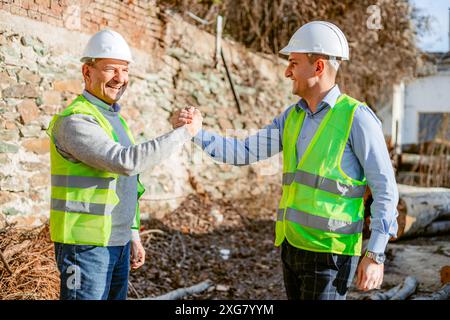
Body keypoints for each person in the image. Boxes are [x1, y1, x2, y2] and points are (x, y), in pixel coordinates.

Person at [172, 21, 398, 300]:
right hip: (291, 248)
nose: (286, 71)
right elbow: (243, 152)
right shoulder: (291, 117)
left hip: (331, 255)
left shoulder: (357, 118)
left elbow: (385, 189)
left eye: (293, 62)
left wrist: (375, 254)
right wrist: (197, 134)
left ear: (318, 67)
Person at [47, 29, 202, 300]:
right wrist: (183, 134)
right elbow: (126, 162)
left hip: (115, 243)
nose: (120, 79)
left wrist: (131, 233)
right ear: (87, 72)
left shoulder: (113, 118)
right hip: (85, 247)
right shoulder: (76, 122)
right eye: (111, 70)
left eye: (125, 70)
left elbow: (129, 181)